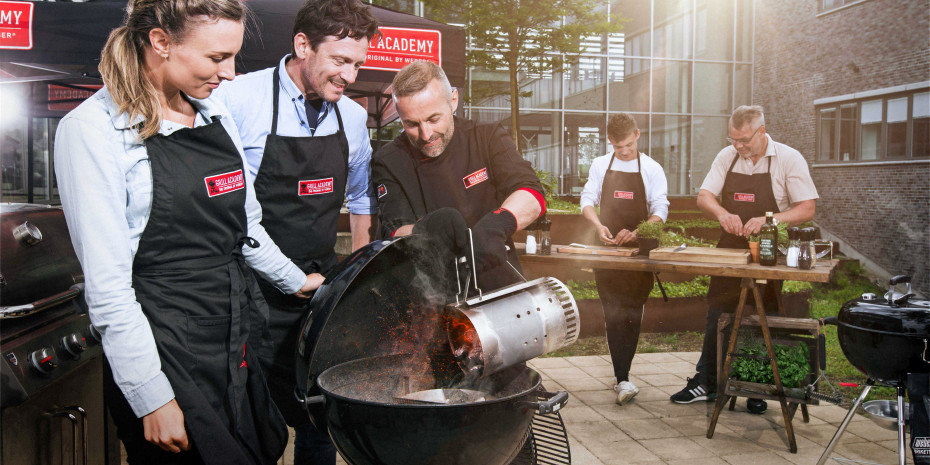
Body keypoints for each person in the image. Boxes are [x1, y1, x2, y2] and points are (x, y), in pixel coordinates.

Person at [54, 0, 321, 462]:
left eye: (233, 56)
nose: (232, 73)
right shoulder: (92, 130)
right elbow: (109, 289)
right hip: (165, 349)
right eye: (217, 58)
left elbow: (246, 227)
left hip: (233, 336)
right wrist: (151, 395)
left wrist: (298, 282)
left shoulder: (215, 114)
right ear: (160, 42)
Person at [212, 0, 378, 462]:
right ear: (302, 45)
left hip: (320, 292)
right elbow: (230, 214)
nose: (349, 76)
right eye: (340, 61)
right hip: (252, 294)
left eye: (357, 64)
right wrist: (291, 279)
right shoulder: (237, 99)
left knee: (319, 416)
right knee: (255, 427)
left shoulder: (354, 118)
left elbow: (361, 198)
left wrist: (360, 270)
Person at [670, 105, 818, 414]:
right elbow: (704, 197)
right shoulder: (727, 157)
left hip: (768, 252)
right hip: (730, 248)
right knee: (718, 313)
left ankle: (757, 386)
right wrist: (723, 214)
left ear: (761, 132)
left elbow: (806, 208)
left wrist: (771, 222)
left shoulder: (788, 159)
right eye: (733, 139)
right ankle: (707, 381)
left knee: (763, 315)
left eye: (744, 140)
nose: (738, 146)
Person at [371, 61, 545, 290]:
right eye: (411, 124)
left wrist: (498, 223)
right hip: (427, 289)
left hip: (496, 279)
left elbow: (532, 193)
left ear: (453, 100)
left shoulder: (486, 136)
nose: (426, 134)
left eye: (434, 119)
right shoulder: (389, 160)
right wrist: (425, 230)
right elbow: (393, 230)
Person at [580, 113, 669, 405]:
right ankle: (623, 378)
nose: (625, 151)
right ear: (610, 142)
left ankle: (623, 375)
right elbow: (587, 200)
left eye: (629, 145)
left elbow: (660, 209)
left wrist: (638, 232)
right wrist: (598, 226)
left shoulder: (652, 169)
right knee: (612, 313)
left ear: (637, 135)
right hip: (606, 252)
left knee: (631, 313)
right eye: (619, 147)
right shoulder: (599, 165)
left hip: (638, 253)